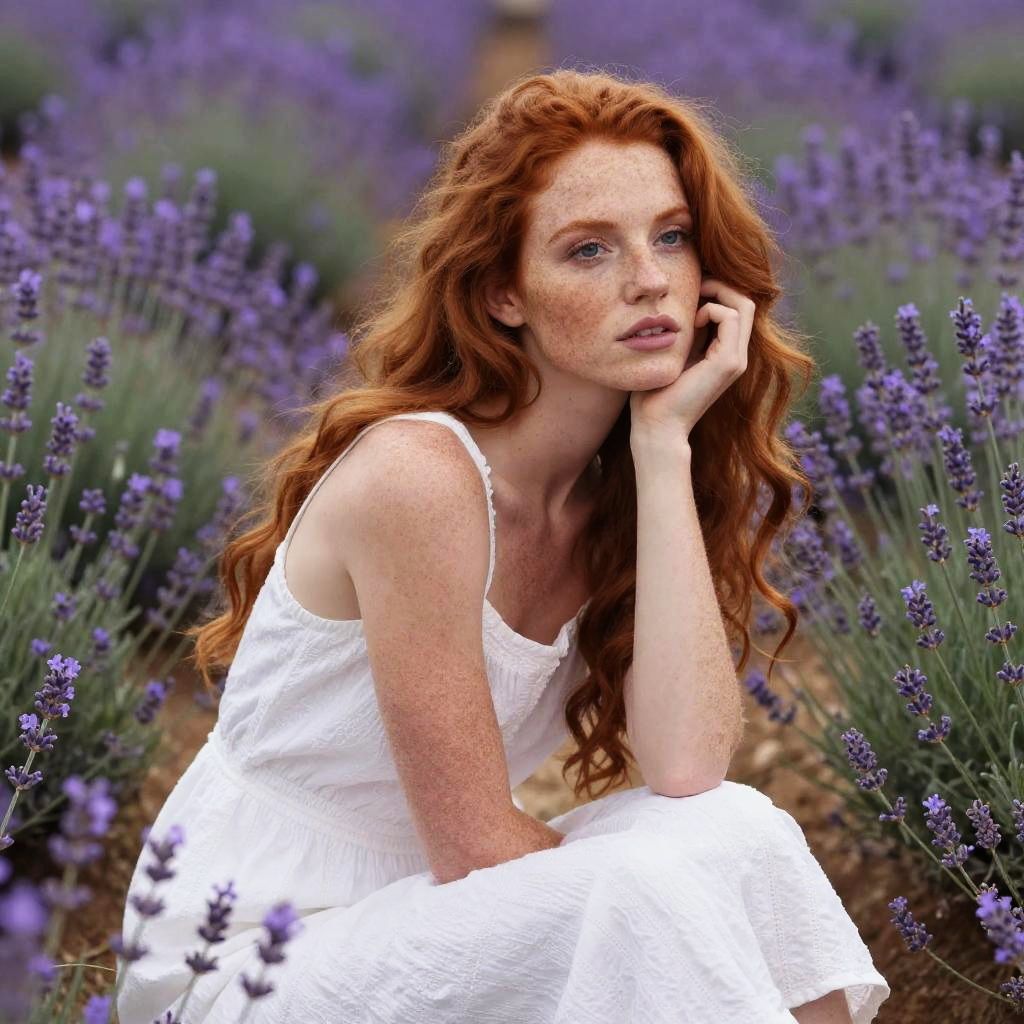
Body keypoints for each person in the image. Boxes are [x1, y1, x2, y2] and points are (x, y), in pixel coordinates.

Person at [116, 68, 890, 1023]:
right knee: (641, 896)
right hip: (250, 960)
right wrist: (676, 914)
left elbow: (687, 770)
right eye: (589, 249)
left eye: (672, 236)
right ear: (502, 296)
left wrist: (660, 447)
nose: (649, 279)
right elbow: (478, 846)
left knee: (739, 830)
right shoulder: (421, 478)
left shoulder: (613, 494)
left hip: (425, 924)